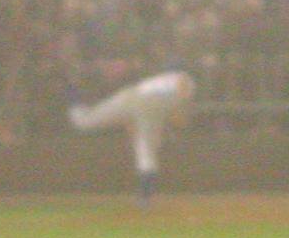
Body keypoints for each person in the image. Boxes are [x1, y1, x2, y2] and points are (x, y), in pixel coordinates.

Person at [68, 69, 196, 207]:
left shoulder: (163, 84)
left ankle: (71, 89)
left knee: (83, 122)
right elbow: (182, 87)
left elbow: (170, 116)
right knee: (146, 153)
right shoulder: (186, 82)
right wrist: (178, 114)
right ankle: (145, 197)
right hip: (147, 104)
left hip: (130, 96)